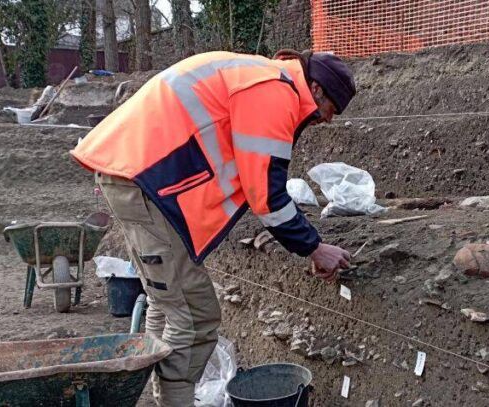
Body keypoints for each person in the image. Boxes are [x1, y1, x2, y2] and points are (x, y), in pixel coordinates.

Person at [70, 49, 356, 406]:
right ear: (315, 88)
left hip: (136, 176)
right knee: (194, 316)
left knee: (169, 305)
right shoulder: (275, 92)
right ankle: (175, 399)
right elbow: (265, 194)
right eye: (332, 109)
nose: (328, 120)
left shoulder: (263, 78)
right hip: (144, 182)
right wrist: (314, 247)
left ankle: (166, 397)